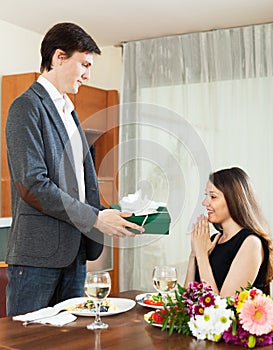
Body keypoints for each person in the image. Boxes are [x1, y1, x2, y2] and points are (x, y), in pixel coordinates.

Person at [5, 22, 144, 316]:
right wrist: (95, 218)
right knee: (28, 343)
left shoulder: (69, 112)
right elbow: (33, 184)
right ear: (58, 57)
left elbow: (79, 185)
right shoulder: (26, 106)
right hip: (37, 259)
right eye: (84, 64)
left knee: (73, 341)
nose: (87, 74)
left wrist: (110, 215)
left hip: (76, 255)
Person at [184, 167, 273, 297]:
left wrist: (202, 256)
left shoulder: (251, 243)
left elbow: (222, 308)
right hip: (198, 318)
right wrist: (194, 254)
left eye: (213, 196)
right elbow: (186, 300)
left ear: (234, 199)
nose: (204, 203)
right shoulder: (214, 240)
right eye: (206, 196)